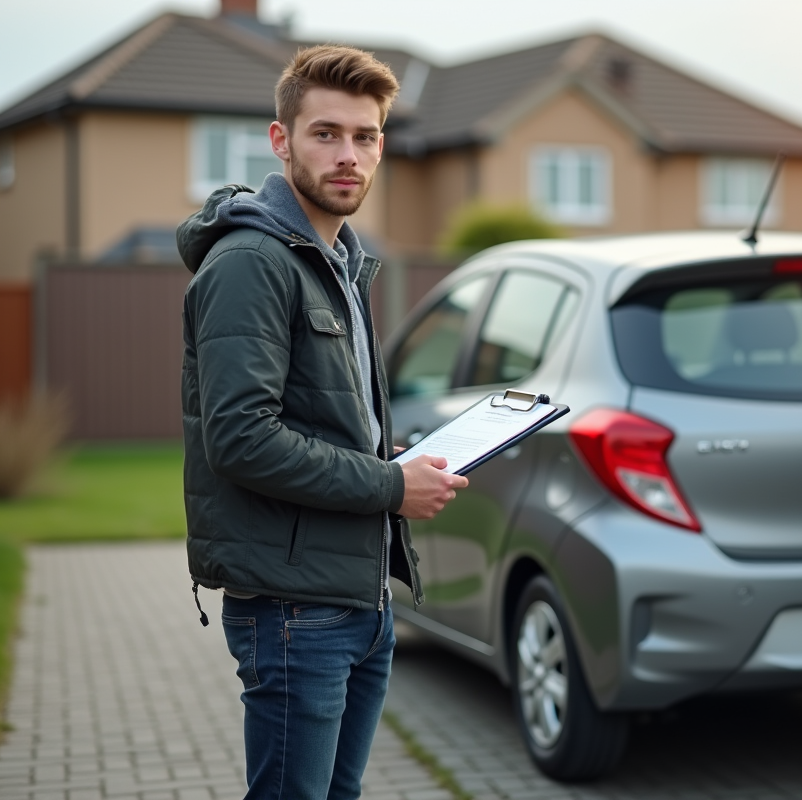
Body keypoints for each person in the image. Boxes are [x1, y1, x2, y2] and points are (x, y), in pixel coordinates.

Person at [176, 44, 467, 800]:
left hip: (358, 600)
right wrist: (388, 484)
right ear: (281, 141)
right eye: (326, 134)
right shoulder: (252, 262)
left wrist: (389, 456)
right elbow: (240, 438)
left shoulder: (336, 259)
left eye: (366, 137)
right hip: (294, 609)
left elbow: (319, 418)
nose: (349, 156)